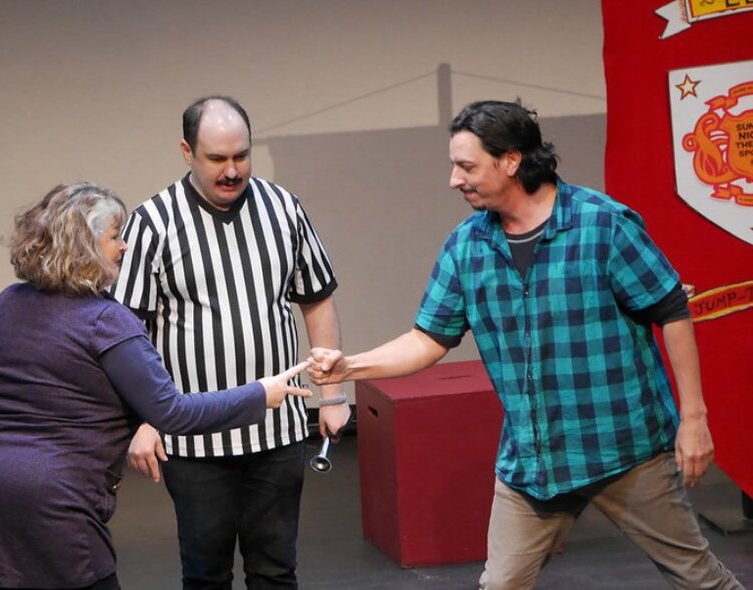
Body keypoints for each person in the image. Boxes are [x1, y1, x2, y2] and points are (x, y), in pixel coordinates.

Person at [307, 100, 744, 589]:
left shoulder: (602, 225)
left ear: (511, 161)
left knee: (700, 580)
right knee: (501, 584)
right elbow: (427, 340)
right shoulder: (467, 246)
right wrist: (350, 367)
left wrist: (694, 419)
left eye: (467, 166)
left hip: (624, 449)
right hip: (534, 464)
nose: (455, 179)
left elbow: (671, 311)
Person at [0, 182, 312, 590]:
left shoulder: (6, 303)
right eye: (115, 237)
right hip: (51, 494)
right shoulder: (107, 319)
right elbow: (172, 411)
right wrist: (260, 394)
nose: (124, 247)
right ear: (85, 246)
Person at [110, 96, 350, 589]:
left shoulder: (283, 208)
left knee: (276, 570)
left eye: (241, 155)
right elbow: (126, 330)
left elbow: (317, 300)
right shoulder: (153, 222)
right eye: (217, 158)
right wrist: (143, 420)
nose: (231, 170)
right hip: (194, 437)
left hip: (278, 430)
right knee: (206, 574)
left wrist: (333, 394)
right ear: (186, 152)